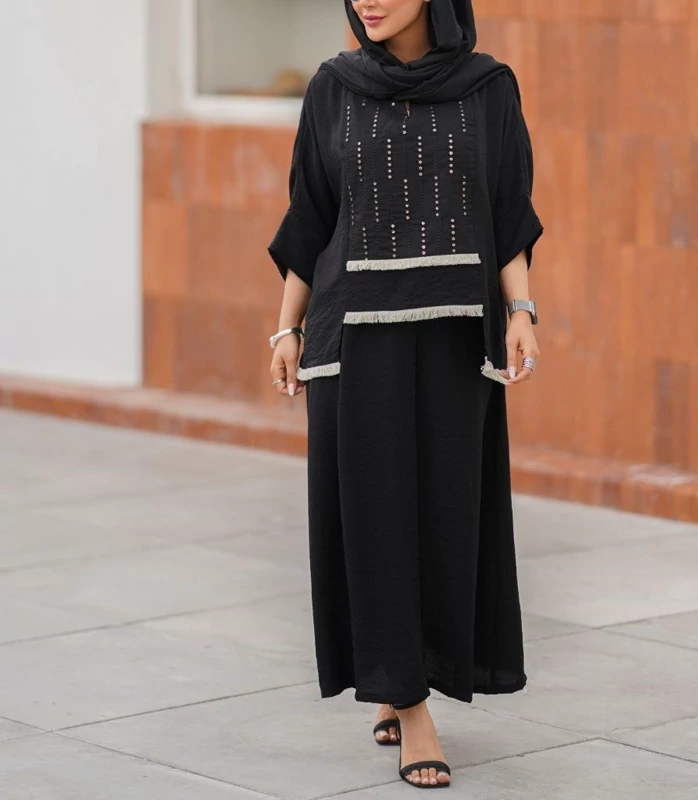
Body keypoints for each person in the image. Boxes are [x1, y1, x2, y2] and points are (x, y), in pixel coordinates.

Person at [267, 0, 543, 789]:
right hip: (354, 339)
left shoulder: (489, 87)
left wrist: (521, 311)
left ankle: (402, 677)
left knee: (447, 518)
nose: (369, 0)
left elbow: (507, 209)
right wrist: (285, 329)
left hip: (456, 336)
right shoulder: (333, 86)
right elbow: (310, 217)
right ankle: (411, 707)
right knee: (376, 523)